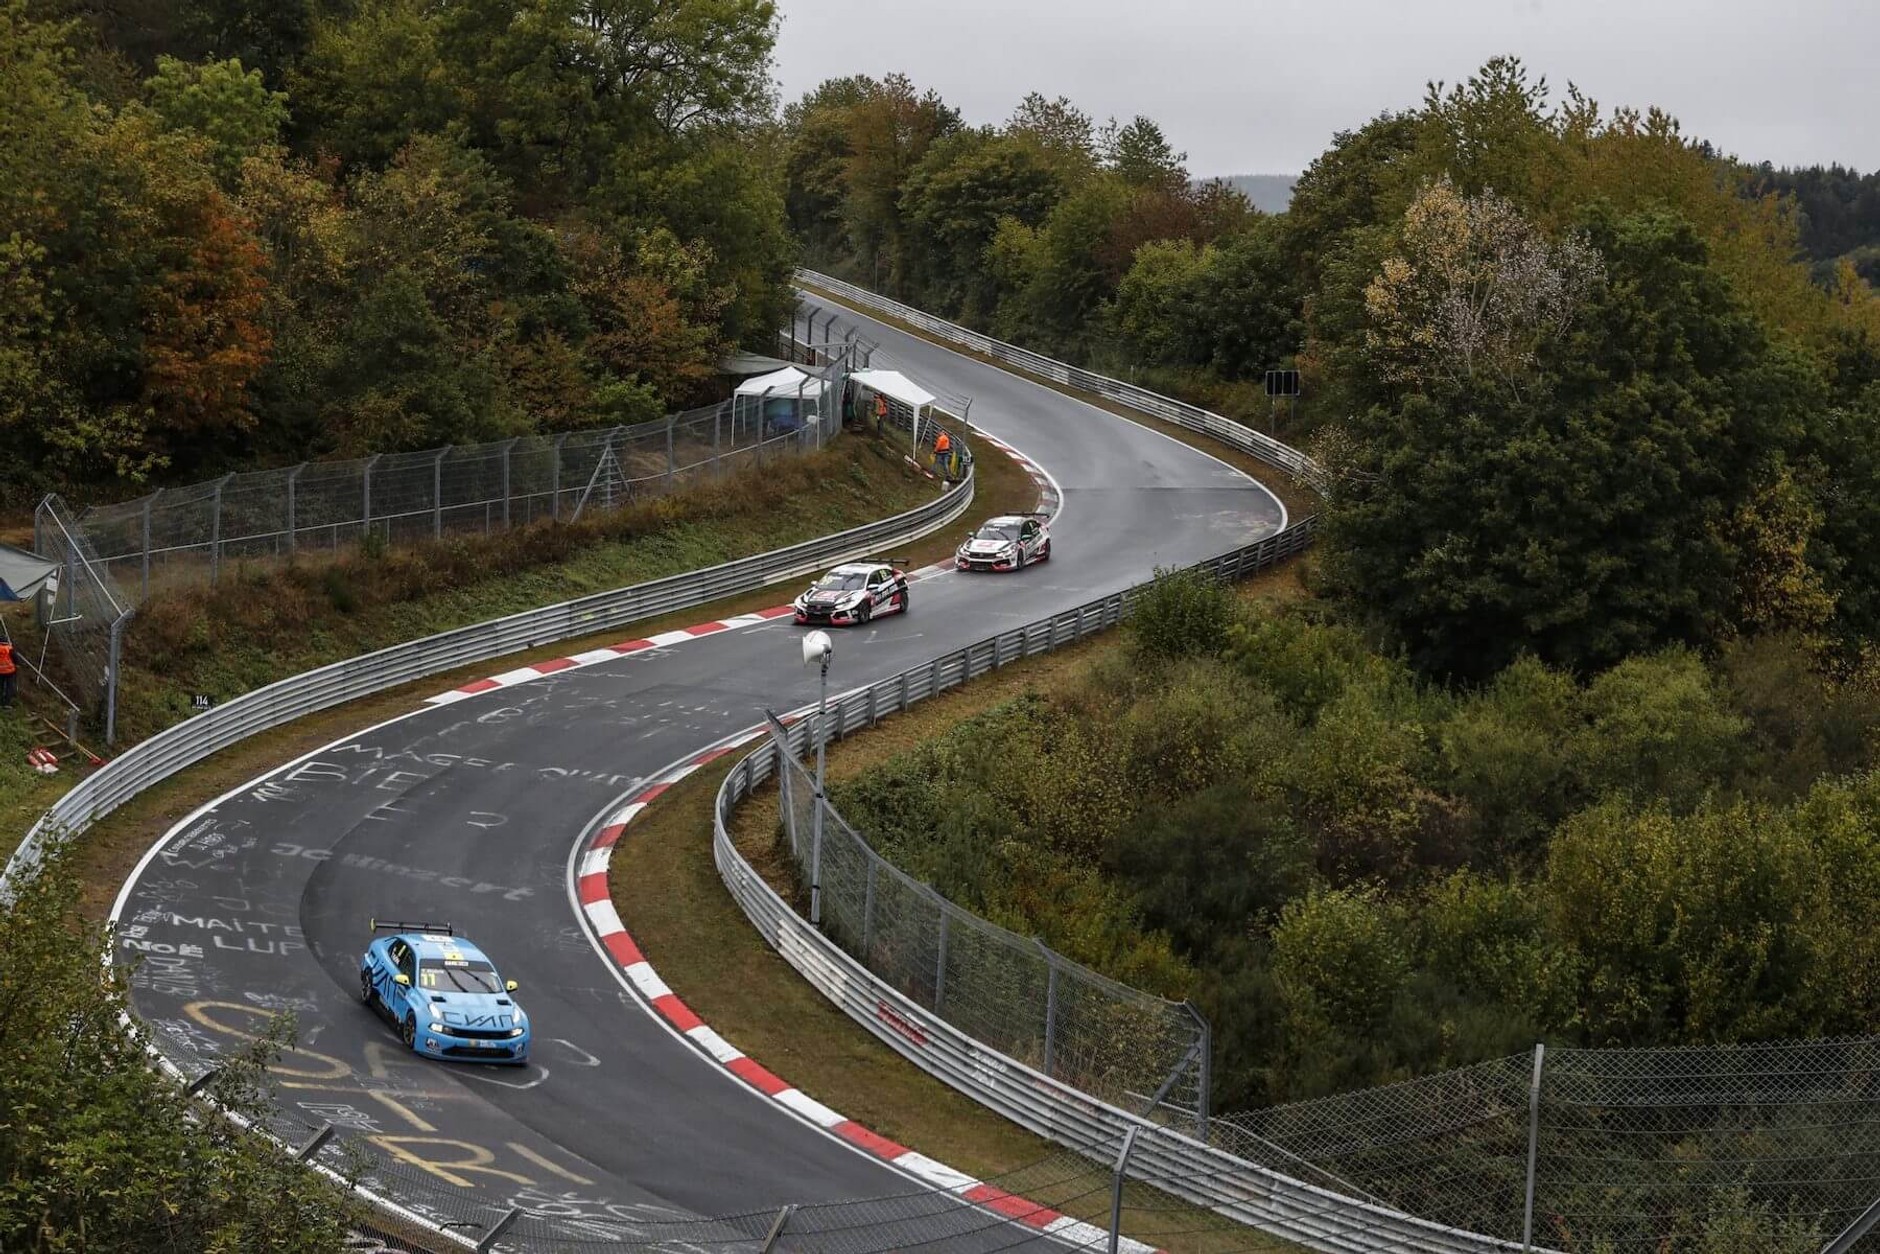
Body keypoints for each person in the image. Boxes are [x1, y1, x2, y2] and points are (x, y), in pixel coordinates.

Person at [0, 637, 15, 709]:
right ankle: (7, 703)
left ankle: (0, 702)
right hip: (10, 671)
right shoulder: (9, 648)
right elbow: (15, 658)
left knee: (1, 686)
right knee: (9, 687)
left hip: (0, 671)